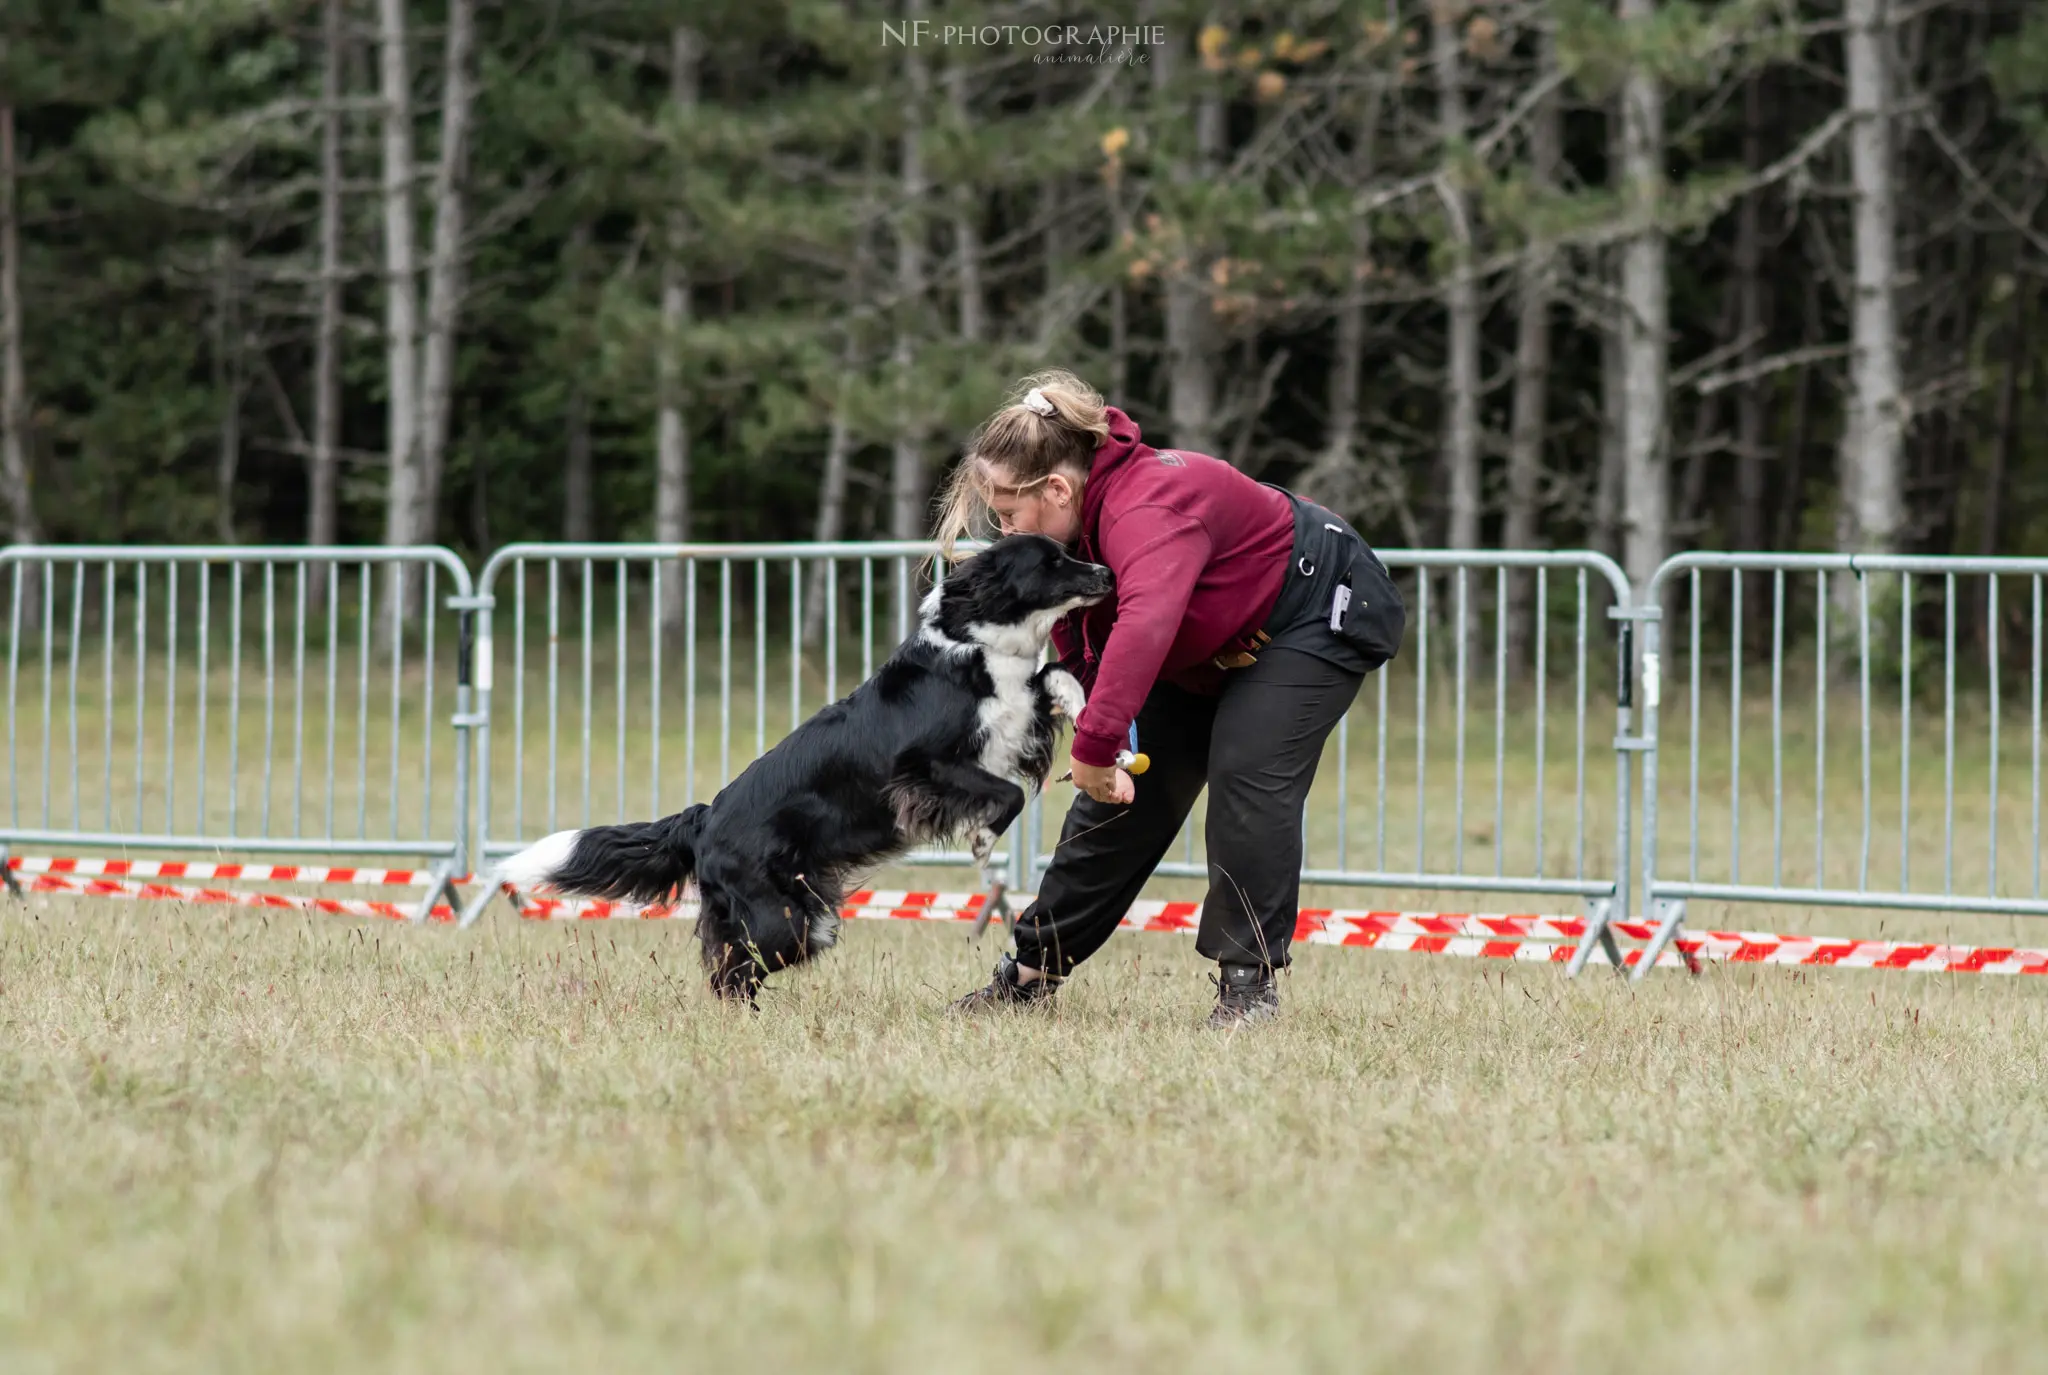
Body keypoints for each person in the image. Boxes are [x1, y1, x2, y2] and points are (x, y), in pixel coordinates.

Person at [933, 370, 1405, 1026]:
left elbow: (1147, 621)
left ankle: (1247, 989)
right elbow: (1081, 632)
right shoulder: (1078, 530)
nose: (1006, 530)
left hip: (1316, 608)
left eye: (1009, 514)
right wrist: (1110, 740)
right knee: (1117, 797)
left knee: (1247, 771)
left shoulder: (1144, 505)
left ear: (1059, 488)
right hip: (1211, 649)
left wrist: (1096, 741)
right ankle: (1031, 971)